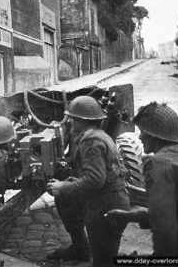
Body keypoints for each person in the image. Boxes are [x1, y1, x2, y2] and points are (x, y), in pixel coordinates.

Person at [106, 102, 178, 257]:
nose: (141, 137)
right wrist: (129, 216)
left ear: (155, 136)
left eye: (143, 132)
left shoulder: (159, 163)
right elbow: (177, 213)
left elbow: (164, 227)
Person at [46, 96, 130, 267]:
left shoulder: (91, 140)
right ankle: (80, 249)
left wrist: (63, 186)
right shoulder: (99, 135)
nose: (69, 121)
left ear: (83, 121)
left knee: (103, 261)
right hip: (111, 199)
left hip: (106, 206)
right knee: (66, 201)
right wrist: (71, 184)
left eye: (73, 118)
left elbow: (94, 181)